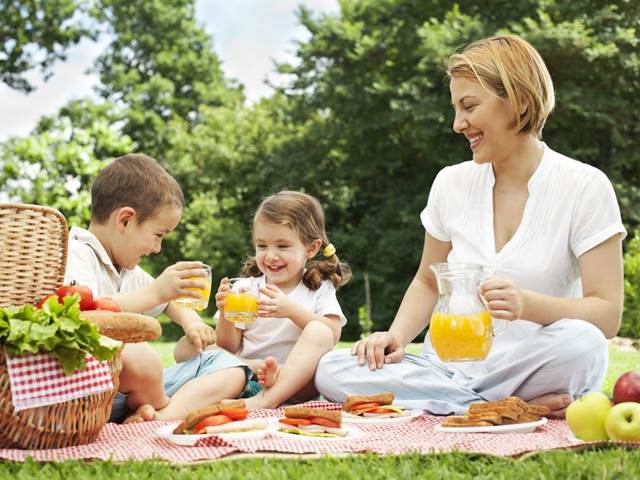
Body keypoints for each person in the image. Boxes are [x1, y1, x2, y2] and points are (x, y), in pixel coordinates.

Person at [315, 34, 626, 419]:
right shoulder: (451, 182)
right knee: (331, 370)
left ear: (520, 102)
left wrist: (527, 305)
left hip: (536, 362)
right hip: (445, 365)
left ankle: (457, 400)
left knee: (584, 343)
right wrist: (394, 337)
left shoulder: (584, 186)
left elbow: (607, 314)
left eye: (469, 106)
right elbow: (428, 281)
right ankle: (492, 406)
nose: (457, 124)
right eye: (455, 109)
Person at [65, 153, 252, 422]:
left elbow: (168, 302)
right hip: (92, 390)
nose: (157, 248)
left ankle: (157, 413)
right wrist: (156, 292)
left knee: (232, 367)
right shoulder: (76, 253)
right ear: (125, 220)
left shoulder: (126, 269)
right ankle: (160, 408)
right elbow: (85, 311)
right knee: (142, 357)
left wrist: (192, 323)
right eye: (158, 235)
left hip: (136, 390)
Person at [174, 190, 351, 409]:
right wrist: (227, 314)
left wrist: (291, 310)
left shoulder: (318, 289)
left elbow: (331, 335)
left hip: (297, 384)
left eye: (283, 246)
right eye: (262, 246)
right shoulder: (246, 288)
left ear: (311, 248)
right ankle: (246, 378)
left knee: (319, 330)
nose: (270, 255)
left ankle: (268, 399)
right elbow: (228, 346)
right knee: (187, 347)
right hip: (247, 378)